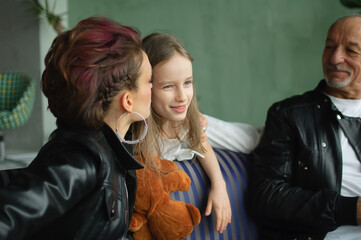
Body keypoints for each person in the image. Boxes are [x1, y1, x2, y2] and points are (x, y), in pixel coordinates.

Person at [0, 16, 153, 240]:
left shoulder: (113, 148)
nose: (153, 87)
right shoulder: (80, 160)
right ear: (128, 101)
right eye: (149, 80)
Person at [249, 14, 361, 240]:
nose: (335, 58)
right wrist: (351, 210)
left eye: (351, 51)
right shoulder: (291, 115)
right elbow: (266, 194)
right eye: (329, 47)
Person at [135, 33, 232, 233]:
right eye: (168, 86)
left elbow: (202, 145)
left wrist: (219, 184)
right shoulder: (138, 132)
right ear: (147, 87)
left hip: (196, 122)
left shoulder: (189, 121)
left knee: (249, 139)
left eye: (187, 83)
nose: (182, 96)